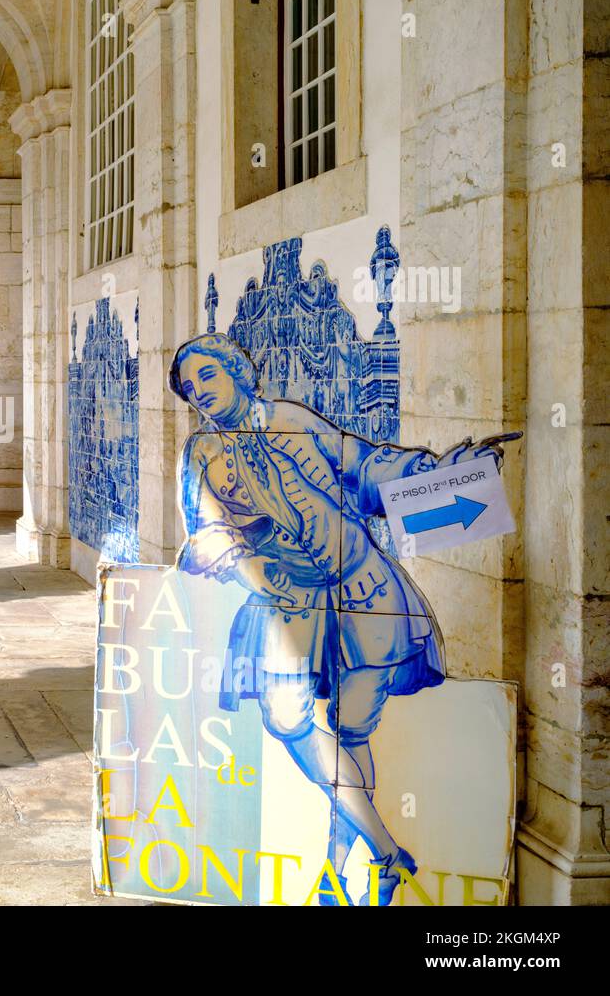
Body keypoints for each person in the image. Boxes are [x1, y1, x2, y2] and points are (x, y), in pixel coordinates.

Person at [169, 333, 517, 906]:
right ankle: (385, 848)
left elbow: (366, 467)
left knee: (354, 728)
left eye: (208, 375)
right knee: (287, 719)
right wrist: (218, 547)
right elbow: (202, 527)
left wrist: (450, 470)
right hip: (286, 601)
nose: (199, 392)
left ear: (238, 370)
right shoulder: (201, 454)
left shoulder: (290, 418)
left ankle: (338, 878)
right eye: (189, 387)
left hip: (363, 589)